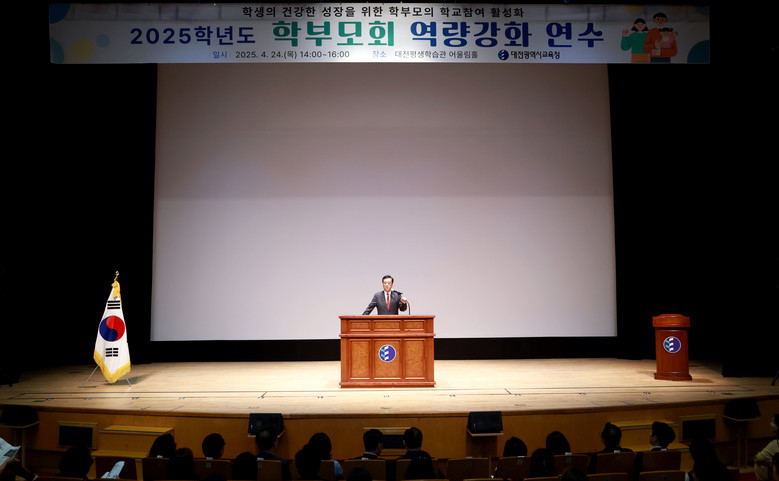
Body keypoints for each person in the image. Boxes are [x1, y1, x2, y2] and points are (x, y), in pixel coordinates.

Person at [753, 414, 779, 481]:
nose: (770, 424)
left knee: (758, 464)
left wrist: (771, 464)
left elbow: (757, 458)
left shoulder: (776, 443)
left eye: (773, 422)